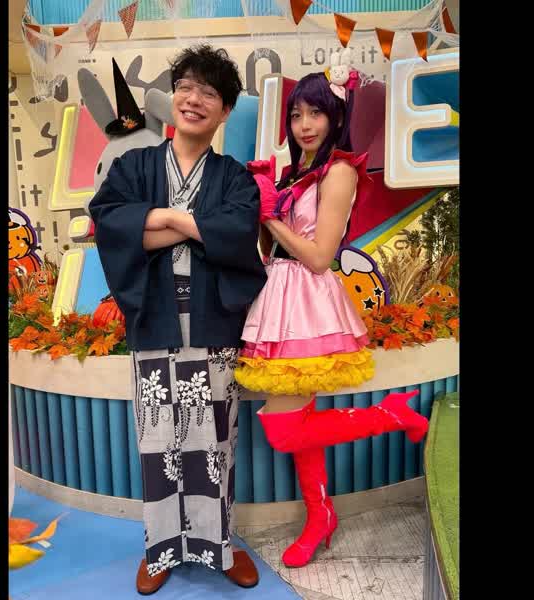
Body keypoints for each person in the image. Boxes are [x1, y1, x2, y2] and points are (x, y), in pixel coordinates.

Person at [89, 45, 267, 594]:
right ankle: (161, 547)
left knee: (215, 441)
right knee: (159, 441)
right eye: (186, 87)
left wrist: (156, 223)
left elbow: (236, 233)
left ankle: (219, 545)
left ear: (225, 110)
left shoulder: (234, 177)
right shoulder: (135, 166)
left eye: (209, 92)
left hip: (213, 322)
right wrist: (187, 220)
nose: (194, 99)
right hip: (155, 319)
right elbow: (114, 227)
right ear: (174, 98)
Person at [234, 67, 429, 568]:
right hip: (277, 298)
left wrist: (270, 214)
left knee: (283, 430)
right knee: (298, 422)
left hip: (308, 302)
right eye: (297, 114)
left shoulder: (339, 171)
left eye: (316, 113)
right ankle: (320, 515)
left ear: (336, 117)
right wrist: (261, 204)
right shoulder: (293, 174)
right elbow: (271, 249)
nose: (304, 124)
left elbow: (321, 257)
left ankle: (389, 416)